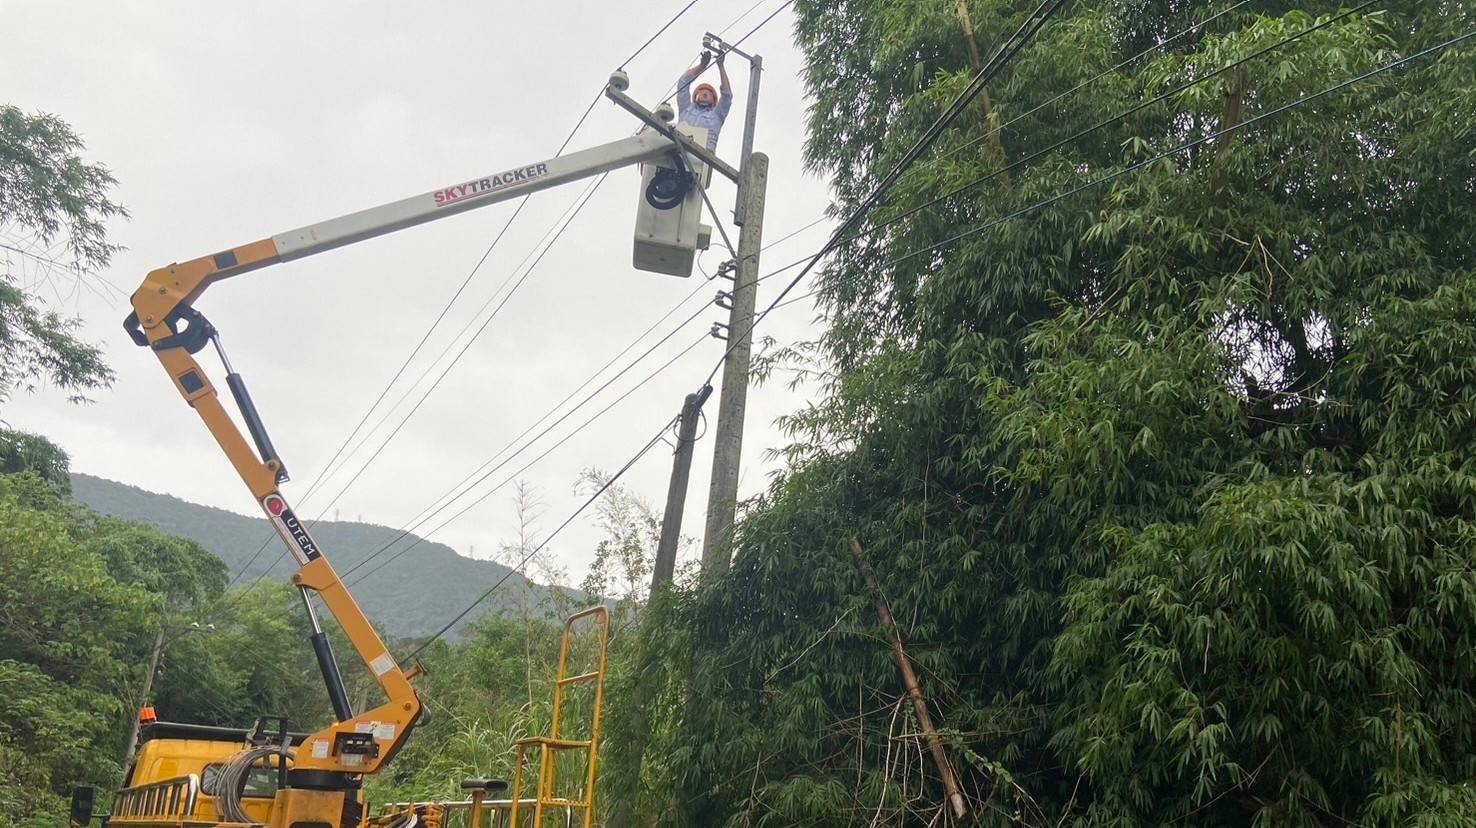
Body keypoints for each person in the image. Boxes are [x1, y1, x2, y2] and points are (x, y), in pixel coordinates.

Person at [676, 50, 733, 152]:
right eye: (702, 91)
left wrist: (721, 67)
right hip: (678, 151)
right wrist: (702, 66)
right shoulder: (685, 108)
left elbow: (727, 96)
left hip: (703, 158)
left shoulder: (717, 115)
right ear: (696, 95)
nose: (705, 93)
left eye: (709, 92)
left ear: (714, 99)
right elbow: (682, 83)